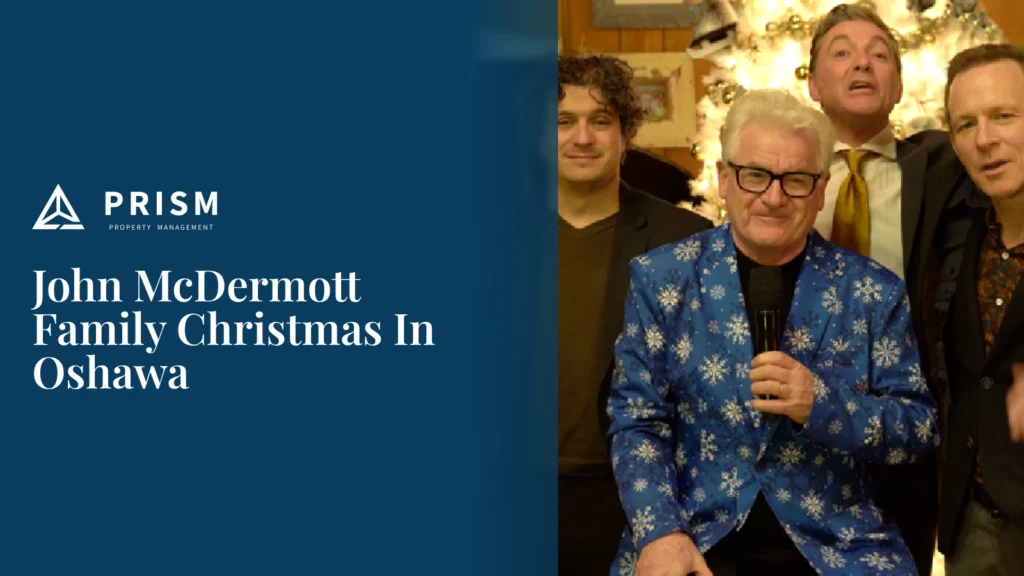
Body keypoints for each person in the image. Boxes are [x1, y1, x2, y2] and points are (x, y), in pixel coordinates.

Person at [607, 89, 938, 576]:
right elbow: (636, 419)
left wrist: (821, 404)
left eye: (796, 180)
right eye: (755, 175)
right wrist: (660, 533)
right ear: (724, 179)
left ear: (822, 188)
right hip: (695, 536)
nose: (774, 197)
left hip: (840, 549)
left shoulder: (872, 292)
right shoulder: (663, 279)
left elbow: (917, 429)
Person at [806, 6, 980, 572]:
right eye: (842, 52)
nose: (862, 62)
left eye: (880, 54)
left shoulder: (941, 167)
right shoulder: (783, 176)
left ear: (900, 85)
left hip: (906, 425)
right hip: (800, 420)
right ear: (811, 82)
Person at [556, 53, 711, 576]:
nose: (583, 137)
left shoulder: (683, 241)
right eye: (562, 122)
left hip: (631, 503)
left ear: (626, 136)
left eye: (601, 121)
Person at [937, 42, 1024, 576]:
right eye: (966, 124)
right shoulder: (958, 231)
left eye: (1004, 116)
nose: (985, 139)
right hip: (974, 524)